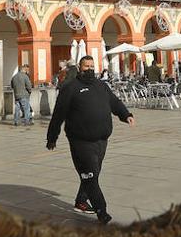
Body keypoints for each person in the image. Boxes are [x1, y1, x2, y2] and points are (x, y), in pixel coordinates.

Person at [46, 55, 135, 224]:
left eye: (92, 66)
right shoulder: (70, 88)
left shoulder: (101, 85)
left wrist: (126, 115)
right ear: (80, 68)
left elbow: (114, 102)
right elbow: (58, 115)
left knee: (93, 173)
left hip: (102, 140)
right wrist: (52, 138)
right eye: (86, 66)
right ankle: (102, 211)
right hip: (80, 142)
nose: (90, 69)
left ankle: (81, 201)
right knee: (90, 176)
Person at [11, 62, 33, 127]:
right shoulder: (25, 76)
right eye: (26, 70)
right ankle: (27, 121)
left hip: (16, 95)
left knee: (17, 109)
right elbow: (29, 86)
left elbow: (12, 86)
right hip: (24, 95)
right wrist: (29, 92)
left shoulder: (14, 77)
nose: (27, 72)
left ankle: (16, 121)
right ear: (24, 70)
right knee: (26, 109)